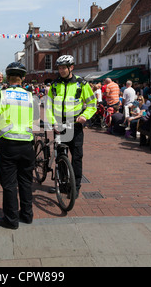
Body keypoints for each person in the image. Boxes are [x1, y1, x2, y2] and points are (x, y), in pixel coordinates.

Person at [0, 62, 37, 230]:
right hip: (27, 145)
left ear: (8, 77)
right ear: (22, 78)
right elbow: (35, 120)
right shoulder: (31, 96)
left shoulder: (1, 95)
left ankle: (11, 220)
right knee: (26, 181)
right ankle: (27, 215)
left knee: (10, 184)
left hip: (8, 145)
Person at [46, 55, 97, 197]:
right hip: (60, 126)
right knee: (61, 156)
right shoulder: (55, 85)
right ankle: (62, 185)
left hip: (75, 126)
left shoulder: (82, 84)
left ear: (71, 68)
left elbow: (92, 104)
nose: (61, 70)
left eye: (64, 68)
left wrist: (85, 116)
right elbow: (49, 105)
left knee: (77, 157)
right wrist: (53, 121)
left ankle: (75, 187)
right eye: (59, 68)